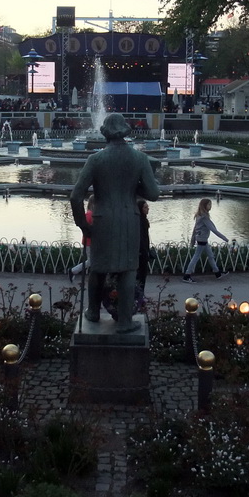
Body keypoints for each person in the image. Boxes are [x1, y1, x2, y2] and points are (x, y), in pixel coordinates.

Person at [69, 113, 160, 333]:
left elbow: (75, 196)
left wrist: (82, 224)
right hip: (129, 219)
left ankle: (92, 312)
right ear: (125, 132)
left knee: (98, 268)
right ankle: (125, 321)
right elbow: (153, 193)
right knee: (128, 270)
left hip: (102, 221)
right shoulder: (140, 159)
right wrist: (133, 186)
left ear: (105, 134)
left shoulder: (96, 160)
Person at [182, 198, 230, 283]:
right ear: (204, 206)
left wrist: (193, 240)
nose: (210, 206)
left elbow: (195, 229)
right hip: (202, 239)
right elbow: (213, 229)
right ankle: (187, 276)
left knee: (210, 256)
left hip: (202, 238)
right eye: (209, 204)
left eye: (210, 204)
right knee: (196, 257)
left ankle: (217, 273)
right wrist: (224, 238)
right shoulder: (204, 217)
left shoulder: (199, 215)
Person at [68, 195, 95, 283]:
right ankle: (73, 270)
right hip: (89, 242)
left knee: (92, 260)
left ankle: (74, 271)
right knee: (91, 261)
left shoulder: (91, 214)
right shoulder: (90, 215)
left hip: (91, 241)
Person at [136, 199, 153, 304]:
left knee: (142, 274)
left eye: (148, 207)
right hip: (141, 251)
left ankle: (140, 294)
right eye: (145, 207)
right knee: (140, 274)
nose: (148, 209)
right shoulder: (139, 221)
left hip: (144, 249)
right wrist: (143, 250)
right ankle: (139, 295)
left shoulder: (144, 220)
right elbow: (141, 238)